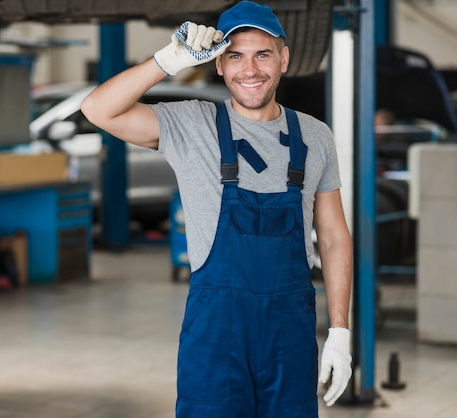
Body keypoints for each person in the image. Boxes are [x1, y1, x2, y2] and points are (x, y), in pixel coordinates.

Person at [81, 1, 353, 416]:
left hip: (289, 334)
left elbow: (334, 237)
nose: (250, 69)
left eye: (263, 54)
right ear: (219, 66)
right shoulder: (192, 125)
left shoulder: (314, 136)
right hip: (216, 335)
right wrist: (167, 59)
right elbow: (97, 109)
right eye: (235, 56)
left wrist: (339, 332)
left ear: (284, 58)